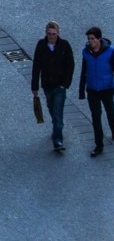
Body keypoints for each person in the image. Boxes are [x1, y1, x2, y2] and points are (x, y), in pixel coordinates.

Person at [78, 27, 114, 157]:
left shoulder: (109, 52)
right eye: (88, 39)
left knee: (110, 112)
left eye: (92, 39)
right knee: (95, 117)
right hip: (92, 90)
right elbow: (83, 72)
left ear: (99, 39)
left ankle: (113, 128)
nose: (90, 41)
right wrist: (81, 91)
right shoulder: (86, 53)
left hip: (107, 89)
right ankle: (99, 145)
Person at [31, 21, 74, 152]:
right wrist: (35, 86)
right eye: (49, 34)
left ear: (58, 33)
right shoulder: (41, 45)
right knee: (51, 107)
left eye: (54, 34)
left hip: (60, 86)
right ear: (46, 33)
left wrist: (65, 84)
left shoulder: (64, 45)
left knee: (57, 112)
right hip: (47, 85)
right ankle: (57, 126)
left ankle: (57, 140)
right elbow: (36, 66)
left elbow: (70, 65)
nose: (52, 36)